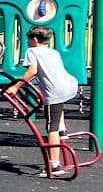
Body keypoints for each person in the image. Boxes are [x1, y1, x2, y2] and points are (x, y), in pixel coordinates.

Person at [5, 26, 80, 178]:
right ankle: (63, 129)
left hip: (54, 92)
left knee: (51, 128)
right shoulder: (54, 52)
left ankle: (55, 165)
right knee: (58, 108)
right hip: (70, 86)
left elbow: (32, 72)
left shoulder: (32, 51)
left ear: (34, 40)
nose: (27, 42)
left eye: (28, 40)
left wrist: (15, 87)